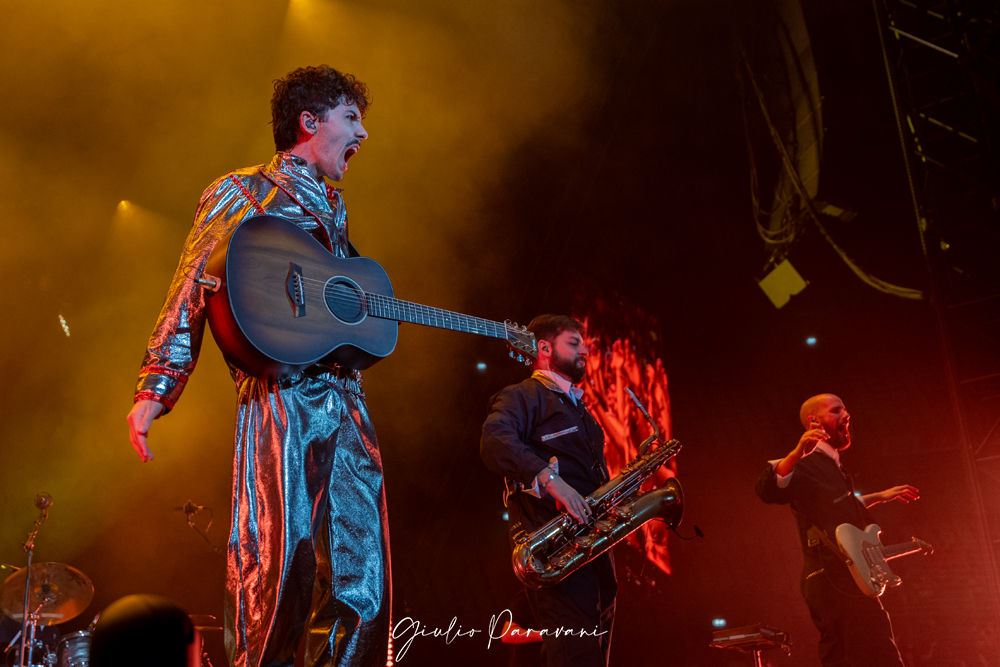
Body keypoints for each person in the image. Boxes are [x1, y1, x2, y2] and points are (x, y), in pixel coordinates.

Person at [125, 66, 389, 667]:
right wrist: (157, 386)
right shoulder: (242, 190)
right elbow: (193, 286)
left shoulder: (336, 208)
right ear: (310, 122)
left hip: (347, 401)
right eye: (352, 119)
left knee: (364, 578)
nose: (363, 135)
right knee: (279, 564)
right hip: (281, 397)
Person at [481, 314, 616, 667]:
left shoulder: (582, 410)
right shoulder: (523, 396)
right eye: (574, 343)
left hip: (594, 544)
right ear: (543, 348)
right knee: (577, 657)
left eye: (584, 345)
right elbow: (494, 441)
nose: (584, 351)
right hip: (558, 547)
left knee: (593, 655)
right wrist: (554, 483)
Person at [755, 393, 920, 667]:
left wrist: (881, 495)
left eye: (845, 409)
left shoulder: (833, 467)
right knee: (848, 655)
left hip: (849, 575)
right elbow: (767, 489)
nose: (846, 415)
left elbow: (836, 508)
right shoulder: (806, 462)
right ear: (814, 422)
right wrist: (796, 454)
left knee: (880, 651)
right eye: (836, 411)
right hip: (830, 576)